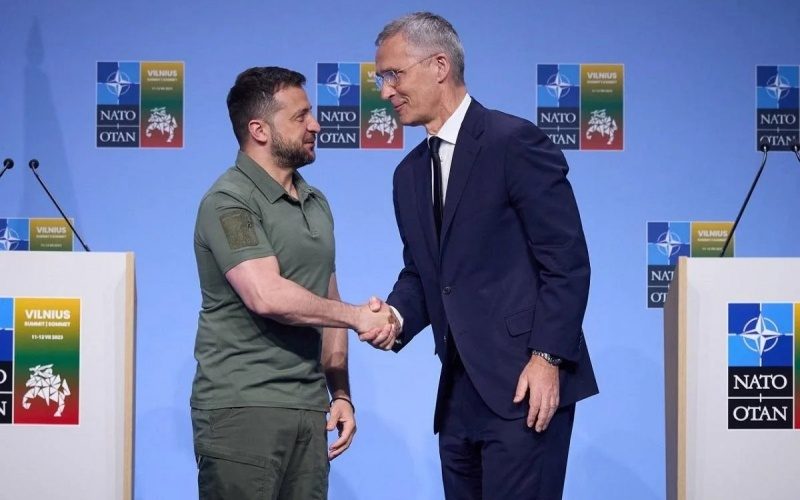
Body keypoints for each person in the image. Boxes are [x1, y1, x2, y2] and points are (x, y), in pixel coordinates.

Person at [362, 13, 599, 499]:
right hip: (457, 396)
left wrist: (547, 357)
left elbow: (566, 260)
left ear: (439, 66)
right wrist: (395, 316)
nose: (385, 91)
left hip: (526, 384)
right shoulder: (408, 175)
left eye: (394, 75)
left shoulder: (512, 142)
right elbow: (424, 273)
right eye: (381, 79)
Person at [190, 66, 395, 500]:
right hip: (244, 410)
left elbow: (328, 299)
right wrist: (358, 317)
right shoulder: (229, 201)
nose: (315, 125)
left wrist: (341, 393)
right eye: (300, 116)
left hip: (308, 409)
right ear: (259, 130)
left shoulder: (316, 202)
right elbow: (266, 295)